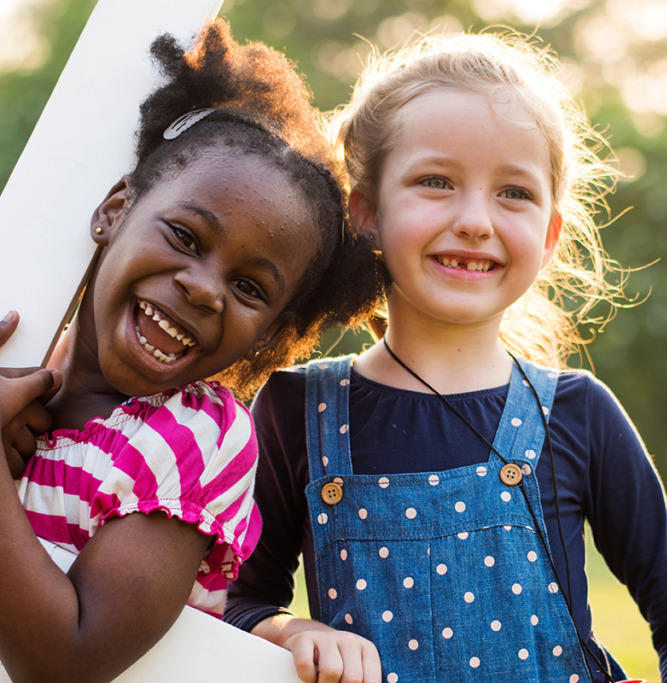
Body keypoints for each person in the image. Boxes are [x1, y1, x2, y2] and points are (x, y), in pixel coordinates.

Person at [224, 32, 667, 683]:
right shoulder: (295, 409)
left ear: (550, 234)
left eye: (513, 192)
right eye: (435, 181)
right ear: (365, 212)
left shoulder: (579, 412)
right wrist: (288, 627)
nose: (474, 219)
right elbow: (233, 603)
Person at [0, 19, 386, 683]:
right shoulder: (26, 364)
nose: (204, 290)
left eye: (248, 286)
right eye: (184, 235)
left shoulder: (195, 435)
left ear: (268, 334)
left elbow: (65, 657)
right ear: (116, 209)